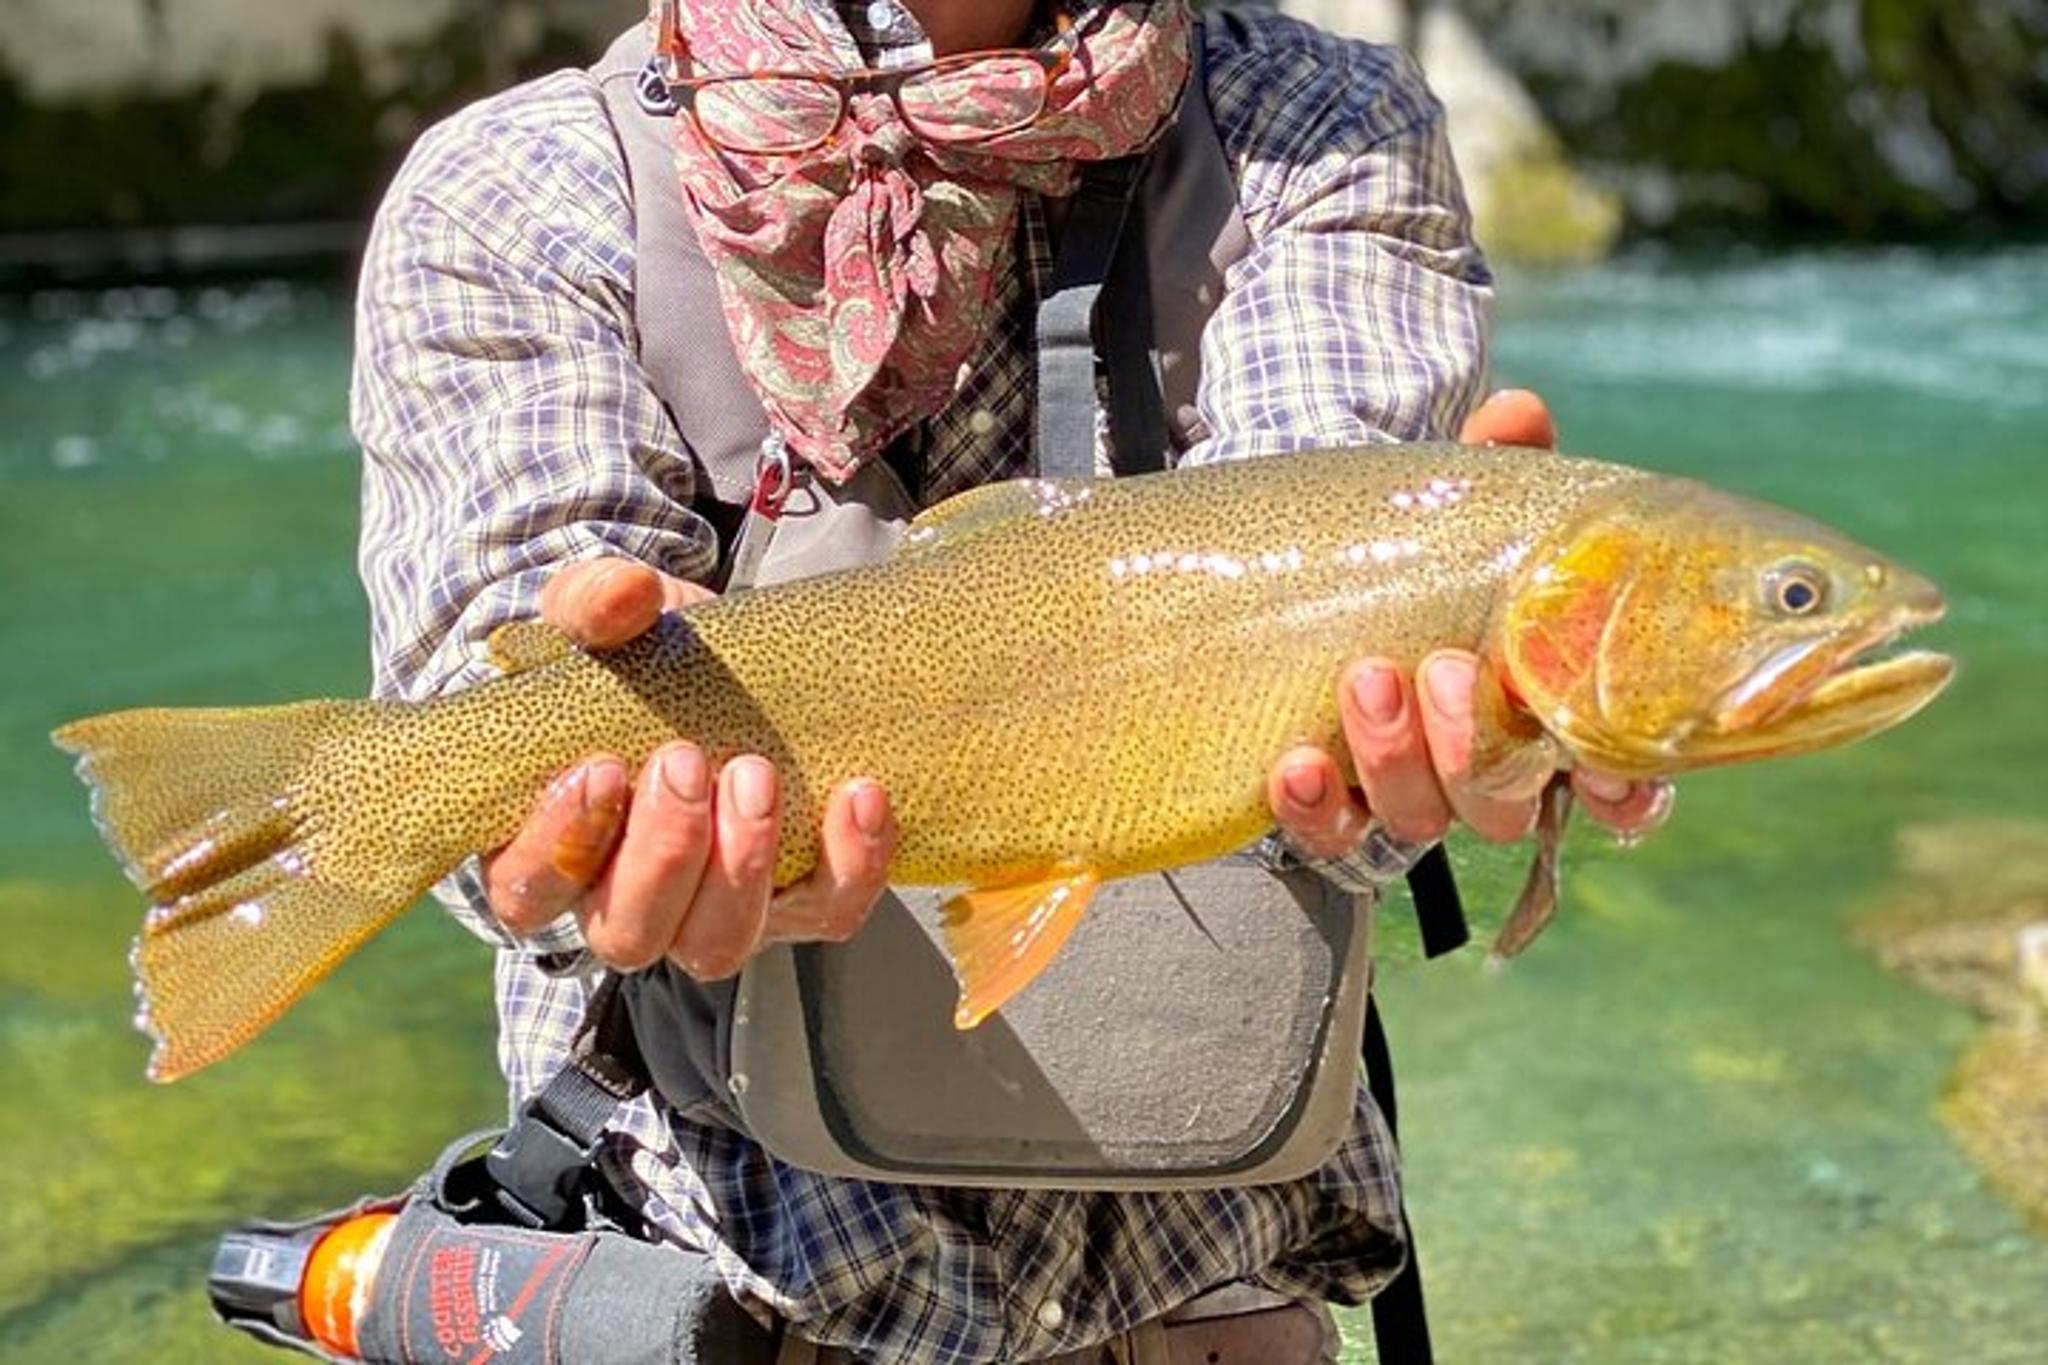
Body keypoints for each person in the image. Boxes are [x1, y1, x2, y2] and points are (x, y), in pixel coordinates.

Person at [350, 2, 1671, 1360]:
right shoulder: (516, 186)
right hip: (734, 1298)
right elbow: (483, 762)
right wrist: (564, 824)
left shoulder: (1323, 129)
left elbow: (1328, 685)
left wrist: (1475, 719)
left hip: (1210, 1310)